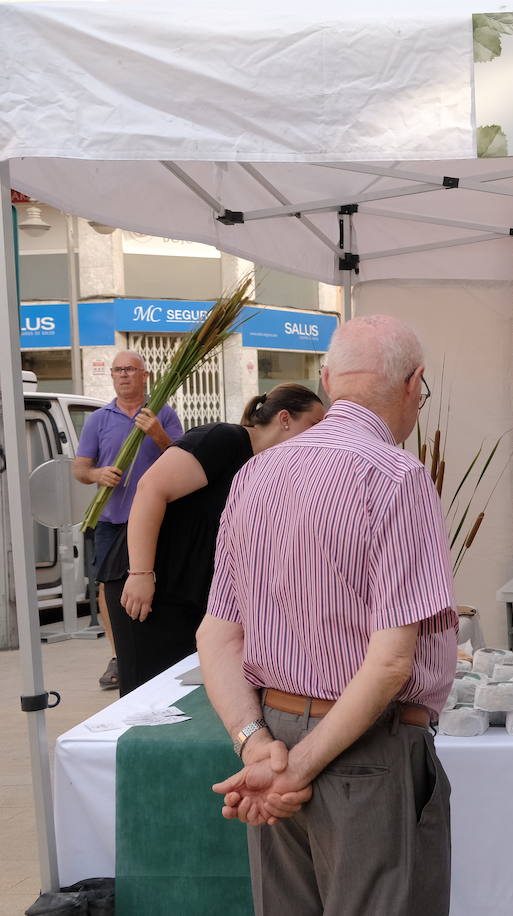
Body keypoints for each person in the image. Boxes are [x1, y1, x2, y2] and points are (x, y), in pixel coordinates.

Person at [198, 315, 456, 916]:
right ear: (415, 383)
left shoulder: (257, 472)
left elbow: (217, 633)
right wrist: (295, 768)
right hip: (364, 747)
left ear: (327, 377)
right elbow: (392, 662)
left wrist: (256, 746)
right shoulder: (397, 476)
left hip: (275, 732)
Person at [103, 384, 325, 695]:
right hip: (149, 582)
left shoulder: (263, 465)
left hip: (190, 590)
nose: (320, 434)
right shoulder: (224, 438)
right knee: (150, 696)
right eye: (315, 424)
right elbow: (150, 488)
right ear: (285, 418)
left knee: (187, 696)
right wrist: (141, 573)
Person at [72, 350, 183, 690]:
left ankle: (161, 650)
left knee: (160, 583)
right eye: (118, 370)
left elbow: (184, 457)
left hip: (158, 519)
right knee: (109, 589)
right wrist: (97, 474)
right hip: (112, 520)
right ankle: (120, 654)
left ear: (145, 375)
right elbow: (80, 469)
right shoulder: (98, 419)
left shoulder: (162, 413)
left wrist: (158, 435)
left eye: (130, 370)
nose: (123, 375)